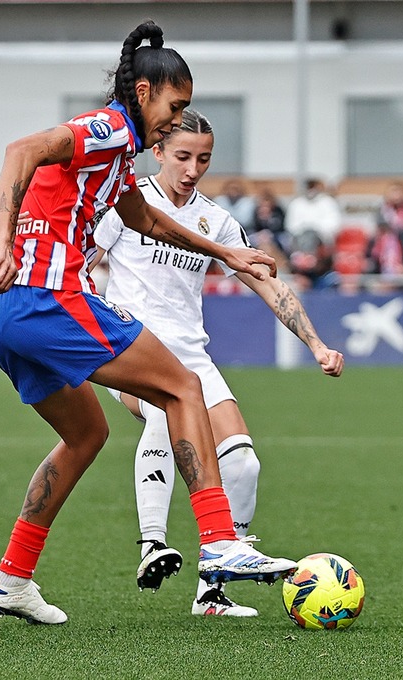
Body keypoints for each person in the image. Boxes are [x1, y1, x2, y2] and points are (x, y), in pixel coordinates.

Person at [0, 20, 296, 626]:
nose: (178, 121)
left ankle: (11, 576)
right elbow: (22, 150)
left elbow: (143, 218)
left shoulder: (117, 155)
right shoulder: (111, 126)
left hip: (2, 313)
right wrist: (5, 242)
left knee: (86, 435)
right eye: (175, 107)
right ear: (143, 92)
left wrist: (225, 252)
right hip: (45, 298)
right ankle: (222, 540)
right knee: (183, 386)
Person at [92, 108, 344, 617]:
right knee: (165, 416)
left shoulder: (217, 220)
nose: (192, 168)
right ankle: (152, 544)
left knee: (244, 464)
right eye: (183, 156)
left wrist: (315, 343)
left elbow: (265, 281)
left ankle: (214, 586)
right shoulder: (126, 204)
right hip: (133, 349)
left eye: (203, 159)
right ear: (157, 150)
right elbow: (80, 264)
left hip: (192, 359)